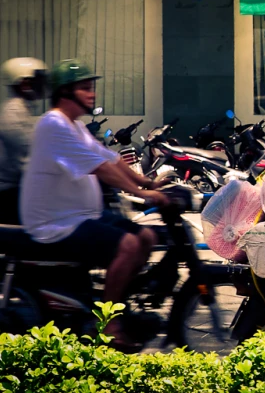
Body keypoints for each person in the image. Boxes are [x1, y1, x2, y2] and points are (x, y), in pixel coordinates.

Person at [20, 59, 171, 350]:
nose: (92, 94)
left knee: (147, 236)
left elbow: (110, 157)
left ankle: (119, 302)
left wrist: (148, 183)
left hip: (81, 216)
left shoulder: (73, 125)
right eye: (85, 88)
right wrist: (143, 195)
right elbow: (99, 167)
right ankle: (107, 323)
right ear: (65, 92)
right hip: (56, 223)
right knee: (128, 245)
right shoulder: (53, 124)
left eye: (92, 88)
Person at [0, 58, 48, 222]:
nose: (42, 85)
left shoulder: (23, 109)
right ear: (25, 84)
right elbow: (28, 159)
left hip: (18, 187)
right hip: (9, 190)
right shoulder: (14, 113)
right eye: (38, 81)